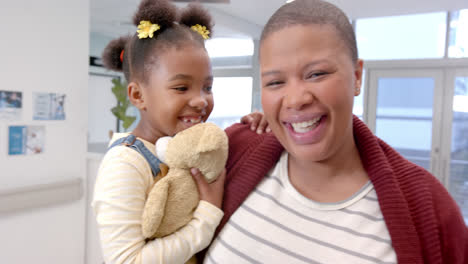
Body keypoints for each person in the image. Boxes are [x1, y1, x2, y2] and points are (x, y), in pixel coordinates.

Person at [202, 0, 468, 263]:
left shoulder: (428, 208)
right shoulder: (232, 151)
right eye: (275, 82)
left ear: (357, 76)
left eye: (316, 74)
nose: (295, 99)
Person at [92, 0, 265, 263]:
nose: (200, 101)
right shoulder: (125, 163)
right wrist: (206, 217)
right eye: (182, 88)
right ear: (138, 95)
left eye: (207, 87)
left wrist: (252, 126)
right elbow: (127, 260)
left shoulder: (187, 146)